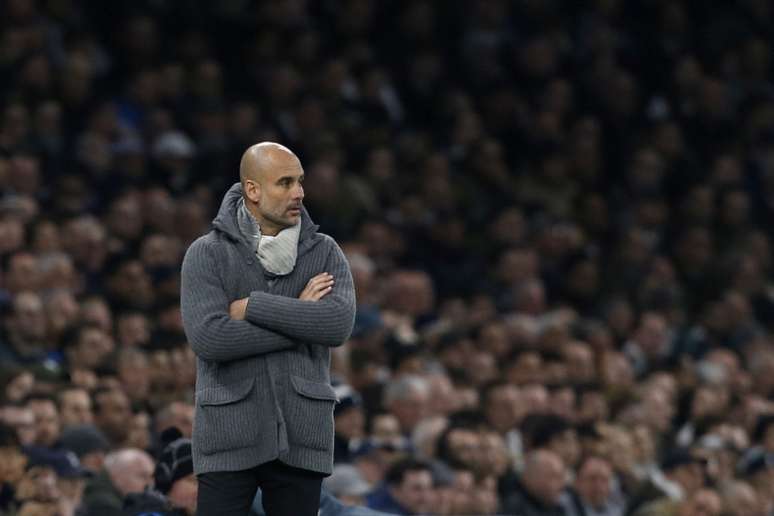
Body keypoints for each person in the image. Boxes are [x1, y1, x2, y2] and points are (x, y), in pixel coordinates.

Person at [180, 142, 356, 515]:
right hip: (227, 434)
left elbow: (336, 325)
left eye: (300, 182)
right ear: (253, 190)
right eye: (285, 183)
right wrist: (300, 316)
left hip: (301, 434)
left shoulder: (325, 251)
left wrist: (255, 307)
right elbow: (211, 338)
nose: (299, 193)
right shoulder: (206, 253)